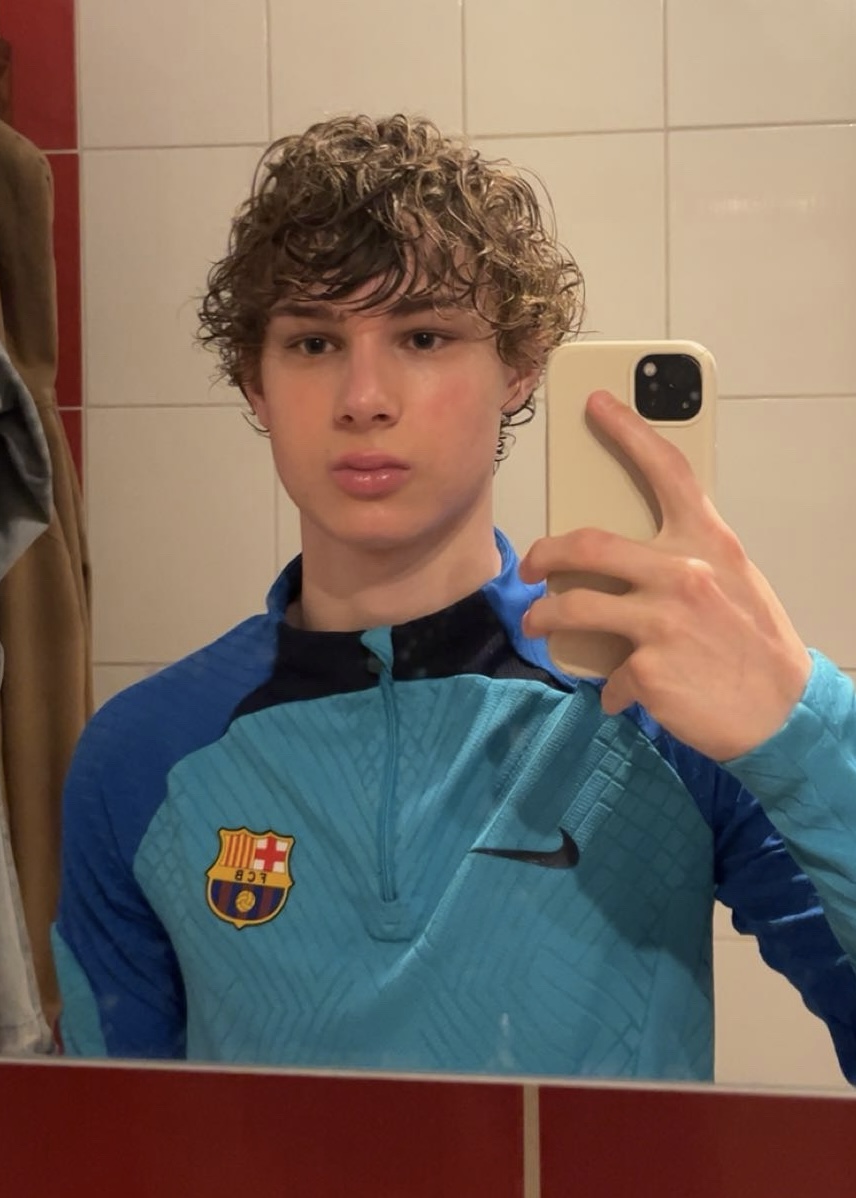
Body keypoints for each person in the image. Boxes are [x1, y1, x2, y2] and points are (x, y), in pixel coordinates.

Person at [52, 114, 856, 1081]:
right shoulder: (143, 756)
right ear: (255, 384)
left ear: (520, 366)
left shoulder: (655, 704)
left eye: (423, 335)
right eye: (314, 342)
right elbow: (108, 1137)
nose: (364, 397)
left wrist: (801, 723)